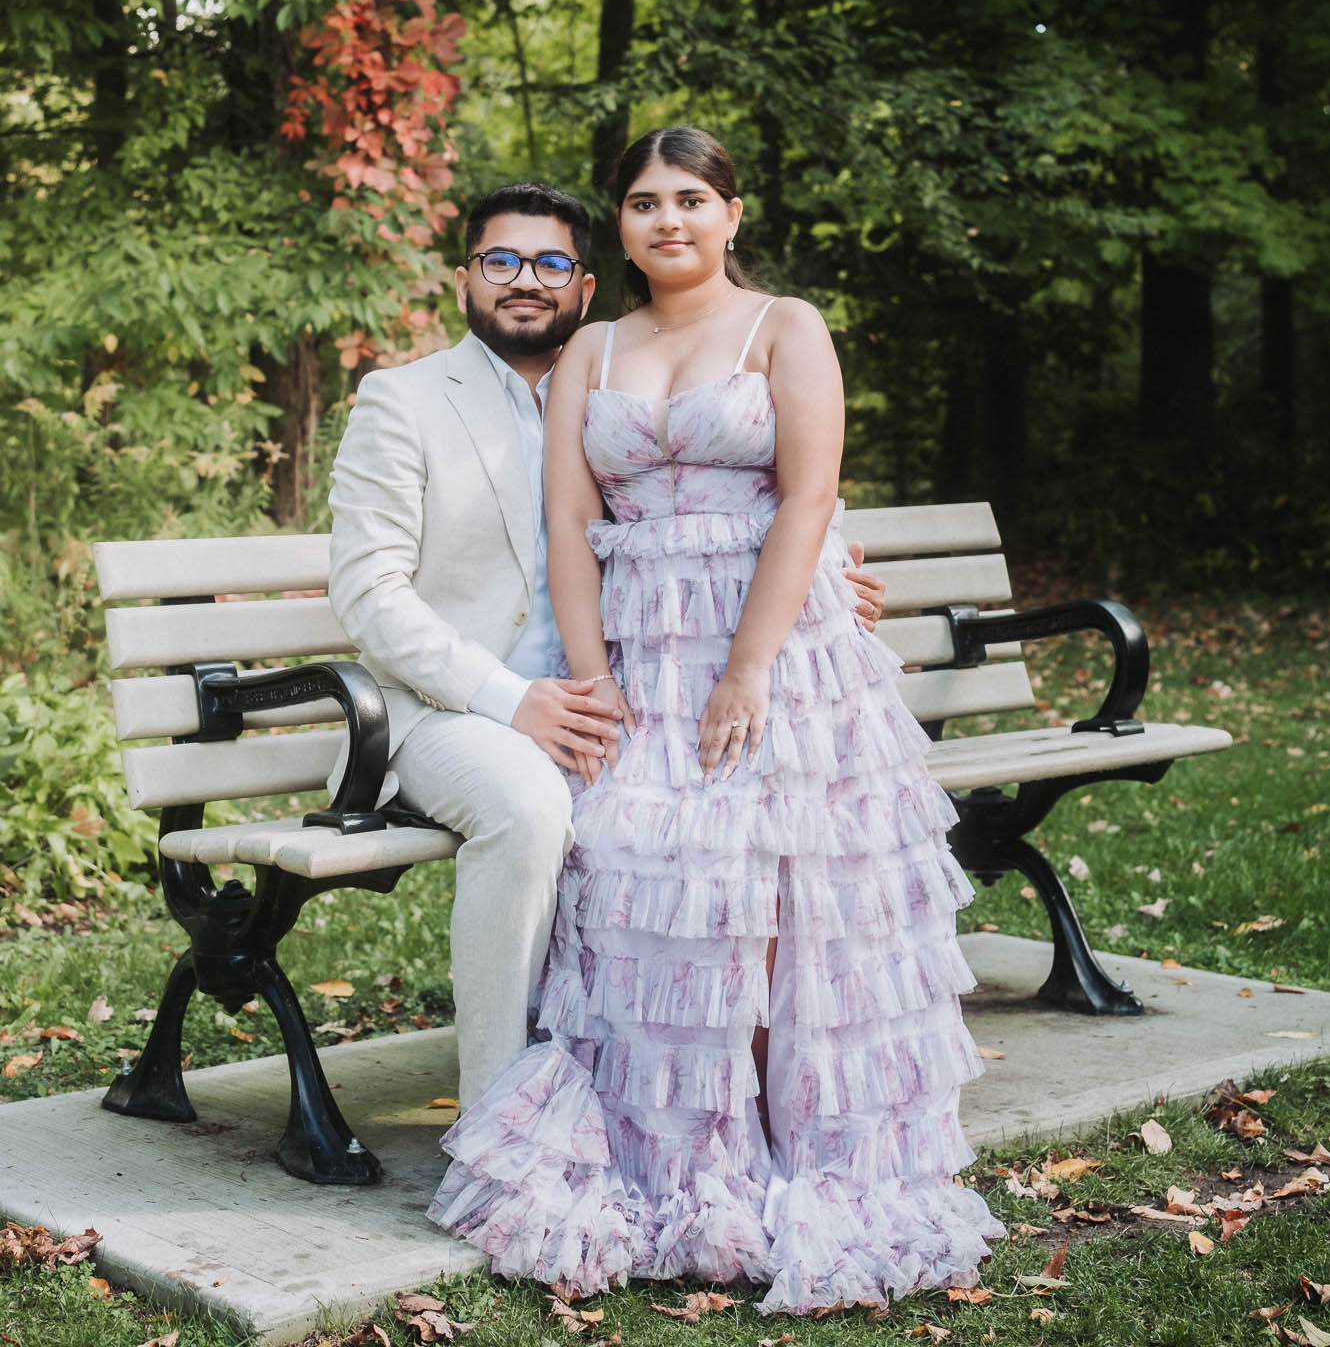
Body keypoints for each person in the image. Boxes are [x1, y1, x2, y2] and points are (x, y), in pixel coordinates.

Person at [427, 127, 1004, 1313]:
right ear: (622, 226)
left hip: (775, 648)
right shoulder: (593, 347)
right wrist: (595, 678)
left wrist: (747, 669)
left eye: (691, 197)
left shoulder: (784, 326)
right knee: (641, 876)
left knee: (774, 893)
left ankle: (791, 1150)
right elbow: (570, 520)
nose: (669, 219)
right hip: (641, 648)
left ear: (732, 212)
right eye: (644, 201)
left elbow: (807, 496)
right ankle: (681, 1153)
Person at [326, 181, 886, 1113]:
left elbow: (732, 499)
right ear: (464, 278)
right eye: (500, 260)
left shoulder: (617, 377)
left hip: (630, 690)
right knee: (530, 804)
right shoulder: (404, 399)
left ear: (584, 287)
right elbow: (368, 592)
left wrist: (828, 572)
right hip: (450, 710)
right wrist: (511, 698)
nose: (525, 280)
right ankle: (503, 1108)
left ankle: (667, 1096)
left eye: (551, 263)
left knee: (727, 833)